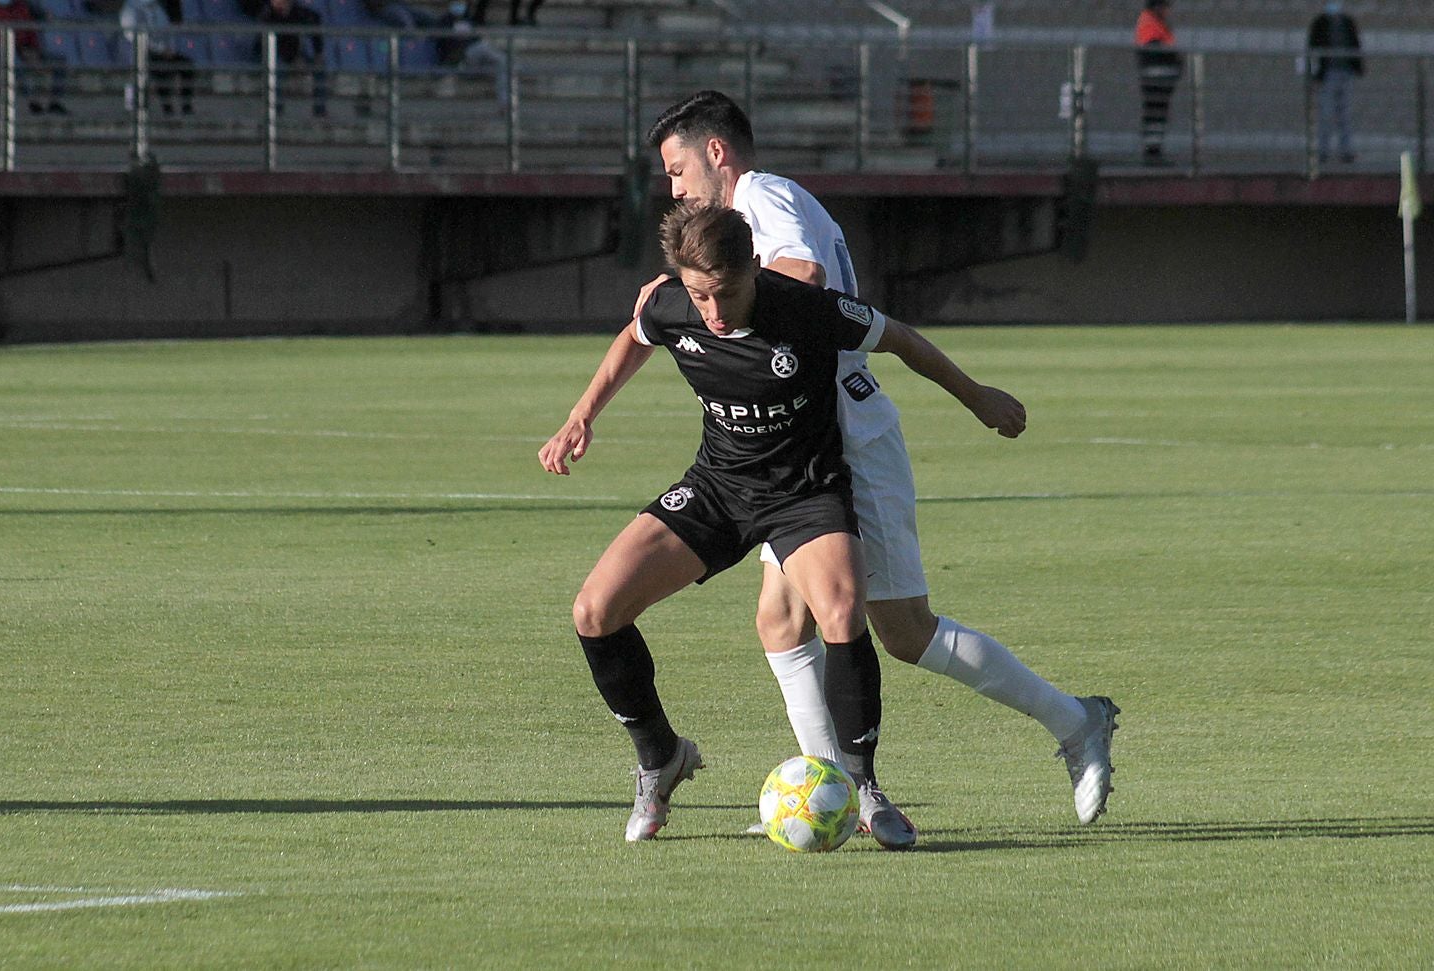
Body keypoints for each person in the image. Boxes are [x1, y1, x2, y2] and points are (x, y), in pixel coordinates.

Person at [635, 91, 1120, 842]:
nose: (675, 188)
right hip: (794, 444)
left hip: (847, 436)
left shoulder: (766, 197)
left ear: (718, 153)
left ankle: (1075, 721)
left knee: (903, 629)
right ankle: (838, 791)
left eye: (677, 169)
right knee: (779, 618)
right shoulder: (741, 219)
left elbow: (801, 271)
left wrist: (703, 297)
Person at [540, 202, 1029, 843]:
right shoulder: (670, 303)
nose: (712, 310)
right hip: (718, 486)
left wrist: (978, 397)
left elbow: (902, 339)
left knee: (842, 612)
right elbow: (636, 337)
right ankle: (660, 758)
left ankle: (865, 790)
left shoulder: (805, 308)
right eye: (699, 294)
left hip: (805, 491)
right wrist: (582, 414)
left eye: (726, 292)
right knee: (594, 611)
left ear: (754, 269)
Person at [0, 0, 67, 115]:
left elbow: (30, 30)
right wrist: (11, 49)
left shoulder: (21, 6)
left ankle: (54, 102)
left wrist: (33, 51)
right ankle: (32, 102)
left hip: (24, 50)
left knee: (59, 61)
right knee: (14, 61)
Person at [1307, 1, 1363, 165]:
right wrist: (1314, 74)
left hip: (1346, 73)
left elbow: (1355, 45)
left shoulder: (1347, 22)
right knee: (1326, 114)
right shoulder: (1320, 23)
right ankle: (1322, 152)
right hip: (1327, 75)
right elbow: (1312, 48)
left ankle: (1346, 152)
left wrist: (1357, 67)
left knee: (1344, 114)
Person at [121, 0, 195, 116]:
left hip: (163, 51)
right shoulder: (130, 8)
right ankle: (166, 109)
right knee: (160, 69)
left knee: (187, 65)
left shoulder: (156, 7)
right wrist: (160, 49)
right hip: (142, 53)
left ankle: (186, 106)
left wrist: (169, 48)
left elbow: (166, 30)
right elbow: (132, 35)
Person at [256, 0, 326, 118]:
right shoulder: (267, 15)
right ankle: (276, 112)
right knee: (277, 68)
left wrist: (318, 53)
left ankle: (320, 111)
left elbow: (315, 21)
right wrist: (294, 59)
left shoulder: (298, 13)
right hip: (269, 54)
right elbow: (270, 45)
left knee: (319, 68)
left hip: (293, 54)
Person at [1135, 0, 1182, 166]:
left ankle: (1154, 150)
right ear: (1157, 7)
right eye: (1165, 7)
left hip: (1159, 76)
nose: (1168, 11)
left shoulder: (1154, 21)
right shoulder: (1150, 22)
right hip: (1156, 77)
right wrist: (1174, 60)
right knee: (1156, 114)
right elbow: (1155, 49)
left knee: (1157, 114)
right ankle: (1153, 152)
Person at [438, 0, 508, 107]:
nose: (460, 5)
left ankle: (504, 103)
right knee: (484, 48)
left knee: (501, 63)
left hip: (476, 53)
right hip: (463, 56)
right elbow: (444, 45)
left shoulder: (468, 18)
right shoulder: (445, 21)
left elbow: (475, 36)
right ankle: (516, 65)